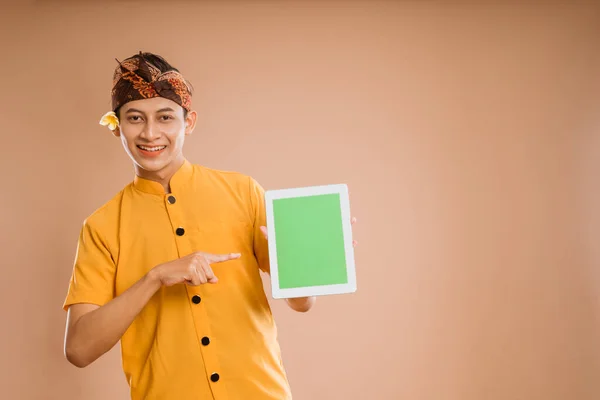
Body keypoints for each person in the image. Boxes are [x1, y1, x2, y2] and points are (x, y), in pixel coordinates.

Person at [62, 52, 356, 400]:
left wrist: (309, 255)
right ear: (117, 126)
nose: (150, 133)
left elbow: (302, 303)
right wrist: (154, 278)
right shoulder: (102, 226)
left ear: (189, 122)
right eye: (135, 118)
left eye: (165, 117)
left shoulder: (243, 191)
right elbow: (79, 350)